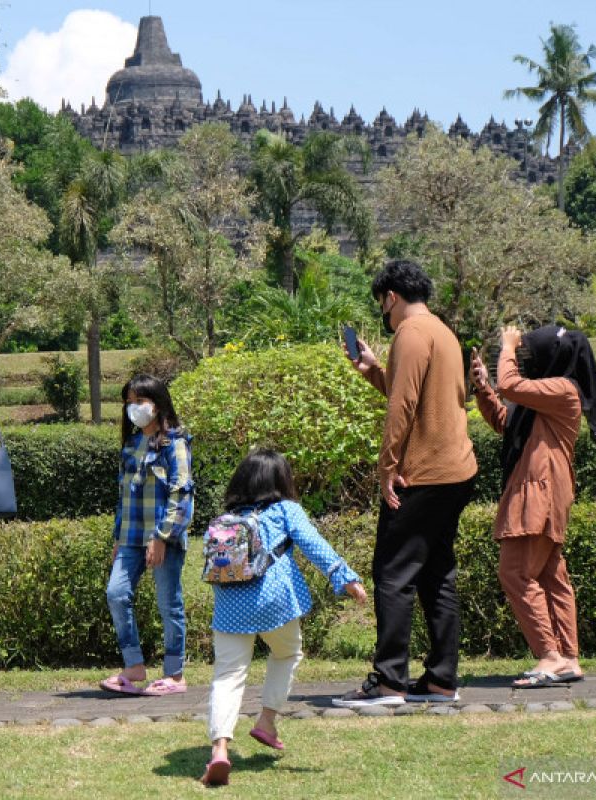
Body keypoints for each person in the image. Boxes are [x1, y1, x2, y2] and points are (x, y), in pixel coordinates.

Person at [335, 259, 477, 708]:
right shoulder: (442, 332)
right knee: (437, 575)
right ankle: (440, 681)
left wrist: (387, 467)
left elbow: (403, 407)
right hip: (456, 471)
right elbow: (422, 394)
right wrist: (375, 371)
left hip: (423, 473)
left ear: (391, 297)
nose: (384, 314)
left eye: (382, 304)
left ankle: (390, 681)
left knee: (392, 573)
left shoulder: (411, 334)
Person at [200, 449, 367, 787]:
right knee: (287, 653)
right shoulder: (285, 510)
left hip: (230, 608)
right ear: (281, 481)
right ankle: (266, 721)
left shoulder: (226, 519)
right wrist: (344, 577)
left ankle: (219, 749)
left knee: (228, 676)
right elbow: (313, 543)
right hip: (274, 604)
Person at [471, 324, 596, 688]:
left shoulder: (564, 390)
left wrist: (506, 347)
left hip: (539, 493)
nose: (523, 357)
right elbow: (507, 421)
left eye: (531, 352)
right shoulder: (543, 396)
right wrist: (483, 387)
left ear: (555, 357)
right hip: (542, 491)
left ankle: (549, 656)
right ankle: (567, 658)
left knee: (515, 572)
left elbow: (511, 386)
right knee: (550, 577)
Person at [100, 374, 194, 697]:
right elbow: (124, 497)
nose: (134, 408)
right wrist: (117, 538)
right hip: (130, 538)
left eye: (140, 401)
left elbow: (181, 494)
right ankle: (134, 666)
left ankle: (175, 675)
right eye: (129, 403)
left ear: (158, 403)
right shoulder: (131, 445)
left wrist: (162, 537)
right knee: (116, 593)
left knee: (169, 603)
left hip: (162, 538)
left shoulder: (175, 444)